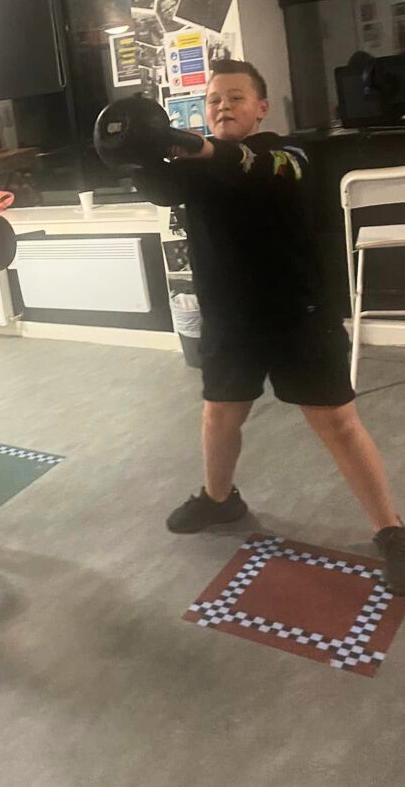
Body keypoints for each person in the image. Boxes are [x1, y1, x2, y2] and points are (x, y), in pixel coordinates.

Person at [133, 59, 405, 593]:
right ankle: (220, 499)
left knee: (337, 424)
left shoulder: (289, 153)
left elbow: (254, 167)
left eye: (235, 97)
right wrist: (138, 147)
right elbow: (158, 185)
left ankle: (392, 532)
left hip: (298, 316)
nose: (222, 106)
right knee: (219, 416)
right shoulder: (194, 167)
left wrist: (195, 146)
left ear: (261, 107)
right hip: (231, 321)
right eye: (214, 100)